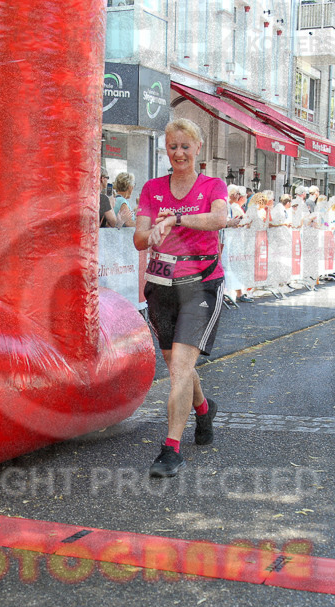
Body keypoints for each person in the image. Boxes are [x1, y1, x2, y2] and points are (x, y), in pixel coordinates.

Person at [133, 118, 228, 478]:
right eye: (173, 146)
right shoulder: (153, 189)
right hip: (162, 284)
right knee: (178, 367)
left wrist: (176, 221)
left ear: (198, 148)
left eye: (186, 146)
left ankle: (171, 449)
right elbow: (138, 239)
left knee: (182, 369)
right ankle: (203, 410)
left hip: (201, 283)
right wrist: (152, 233)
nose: (179, 153)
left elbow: (220, 219)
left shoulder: (212, 185)